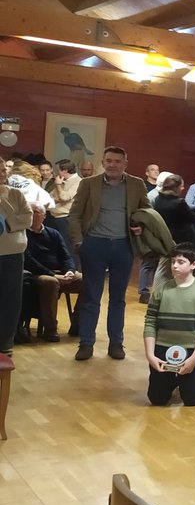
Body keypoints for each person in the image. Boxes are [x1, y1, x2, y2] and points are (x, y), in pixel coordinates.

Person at [68, 145, 150, 361]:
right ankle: (86, 343)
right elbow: (74, 214)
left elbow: (147, 212)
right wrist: (79, 243)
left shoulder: (136, 184)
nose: (112, 165)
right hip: (94, 245)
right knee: (91, 297)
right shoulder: (89, 184)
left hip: (123, 246)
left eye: (117, 161)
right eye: (109, 160)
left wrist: (141, 226)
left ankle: (116, 343)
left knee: (118, 298)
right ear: (102, 162)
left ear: (125, 164)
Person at [143, 243, 195, 407]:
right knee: (157, 399)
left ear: (193, 264)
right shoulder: (161, 290)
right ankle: (171, 380)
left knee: (193, 400)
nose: (175, 266)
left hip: (190, 350)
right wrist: (150, 355)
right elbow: (150, 322)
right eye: (173, 261)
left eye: (181, 262)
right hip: (162, 348)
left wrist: (194, 359)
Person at [20, 202, 82, 343]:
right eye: (30, 211)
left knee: (86, 281)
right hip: (37, 273)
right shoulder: (23, 233)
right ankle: (50, 329)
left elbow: (66, 255)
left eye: (35, 211)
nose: (32, 214)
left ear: (44, 215)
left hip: (60, 271)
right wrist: (53, 275)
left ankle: (78, 324)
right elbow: (29, 261)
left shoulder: (53, 233)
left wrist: (70, 271)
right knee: (51, 282)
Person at [0, 159, 34, 355]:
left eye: (3, 170)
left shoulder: (15, 194)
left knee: (10, 300)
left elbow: (27, 219)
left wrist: (4, 206)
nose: (1, 174)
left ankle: (5, 343)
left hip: (13, 253)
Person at [46, 159, 79, 241]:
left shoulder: (78, 181)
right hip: (53, 216)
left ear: (65, 171)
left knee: (66, 244)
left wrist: (58, 185)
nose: (56, 173)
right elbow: (50, 196)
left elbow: (65, 197)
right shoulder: (62, 180)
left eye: (58, 170)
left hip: (65, 218)